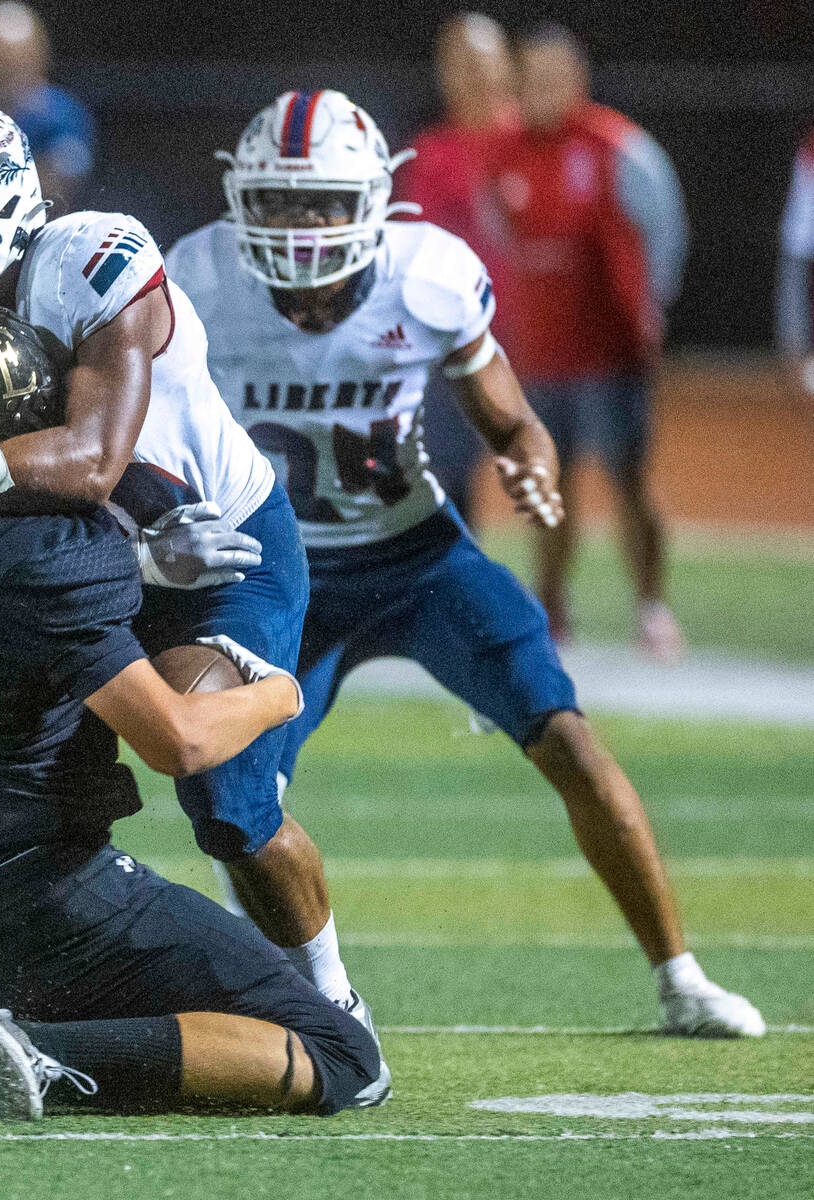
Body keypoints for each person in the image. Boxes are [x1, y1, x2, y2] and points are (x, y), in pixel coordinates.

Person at [164, 88, 764, 1038]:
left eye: (323, 201)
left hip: (419, 555)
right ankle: (305, 998)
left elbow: (512, 420)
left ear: (374, 199)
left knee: (567, 737)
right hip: (284, 577)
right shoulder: (195, 279)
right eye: (281, 200)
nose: (302, 224)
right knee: (242, 805)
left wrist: (532, 463)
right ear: (243, 198)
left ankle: (681, 976)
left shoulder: (427, 275)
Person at [0, 96, 385, 1096]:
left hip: (216, 558)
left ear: (0, 205)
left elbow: (93, 463)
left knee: (223, 801)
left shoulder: (89, 260)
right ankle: (65, 976)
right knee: (15, 779)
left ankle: (331, 998)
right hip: (91, 567)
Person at [488, 24, 689, 658]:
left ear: (577, 80)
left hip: (610, 354)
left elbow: (664, 233)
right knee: (550, 481)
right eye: (531, 76)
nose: (541, 89)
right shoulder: (504, 152)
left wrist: (649, 315)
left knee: (629, 481)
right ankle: (552, 607)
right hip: (541, 354)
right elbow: (494, 241)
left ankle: (652, 607)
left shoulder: (618, 148)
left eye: (554, 77)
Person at [397, 12, 518, 523]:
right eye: (457, 64)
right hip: (458, 341)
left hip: (539, 340)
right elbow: (413, 250)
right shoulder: (430, 152)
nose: (469, 76)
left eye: (480, 62)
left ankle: (554, 599)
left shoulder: (534, 141)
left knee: (565, 470)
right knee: (447, 470)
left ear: (506, 67)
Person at [0, 1, 95, 212]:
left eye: (12, 61)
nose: (2, 70)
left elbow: (59, 187)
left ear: (38, 56)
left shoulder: (60, 114)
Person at [776, 125, 814, 395]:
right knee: (793, 304)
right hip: (799, 238)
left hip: (799, 237)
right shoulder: (808, 149)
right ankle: (794, 368)